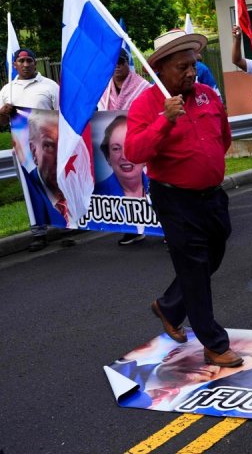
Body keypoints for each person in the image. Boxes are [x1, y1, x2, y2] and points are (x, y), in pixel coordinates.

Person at [126, 29, 243, 368]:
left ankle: (170, 306)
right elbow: (135, 152)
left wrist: (206, 166)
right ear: (160, 69)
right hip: (175, 200)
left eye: (193, 65)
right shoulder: (145, 105)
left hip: (212, 196)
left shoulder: (207, 94)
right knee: (193, 267)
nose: (191, 72)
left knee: (213, 254)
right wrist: (165, 120)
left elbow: (223, 137)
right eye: (182, 67)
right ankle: (214, 343)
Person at [111, 329, 252, 410]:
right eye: (213, 349)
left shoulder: (227, 402)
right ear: (175, 351)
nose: (214, 363)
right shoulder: (125, 372)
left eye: (241, 358)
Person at [0, 48, 63, 252]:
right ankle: (39, 232)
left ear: (35, 63)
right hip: (22, 151)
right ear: (15, 65)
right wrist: (3, 112)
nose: (26, 64)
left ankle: (66, 222)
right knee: (30, 189)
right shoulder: (7, 90)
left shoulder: (50, 86)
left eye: (29, 60)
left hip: (50, 148)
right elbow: (1, 122)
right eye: (21, 61)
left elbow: (62, 116)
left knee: (56, 185)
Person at [97, 50, 151, 245]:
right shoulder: (104, 89)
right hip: (119, 148)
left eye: (121, 61)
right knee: (125, 188)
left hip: (141, 143)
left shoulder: (143, 87)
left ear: (127, 63)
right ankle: (132, 229)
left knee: (149, 186)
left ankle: (165, 228)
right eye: (113, 62)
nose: (117, 65)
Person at [20, 110, 71, 230]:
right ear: (33, 151)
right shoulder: (31, 188)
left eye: (64, 145)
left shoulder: (84, 182)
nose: (60, 156)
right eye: (48, 146)